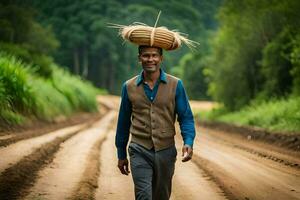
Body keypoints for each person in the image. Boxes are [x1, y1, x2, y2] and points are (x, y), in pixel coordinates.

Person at [115, 44, 196, 200]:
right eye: (146, 55)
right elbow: (123, 123)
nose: (150, 59)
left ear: (161, 58)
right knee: (143, 196)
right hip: (139, 149)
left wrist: (188, 141)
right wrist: (121, 154)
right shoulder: (129, 87)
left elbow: (185, 117)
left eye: (154, 55)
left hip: (166, 151)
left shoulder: (176, 85)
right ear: (139, 58)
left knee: (161, 196)